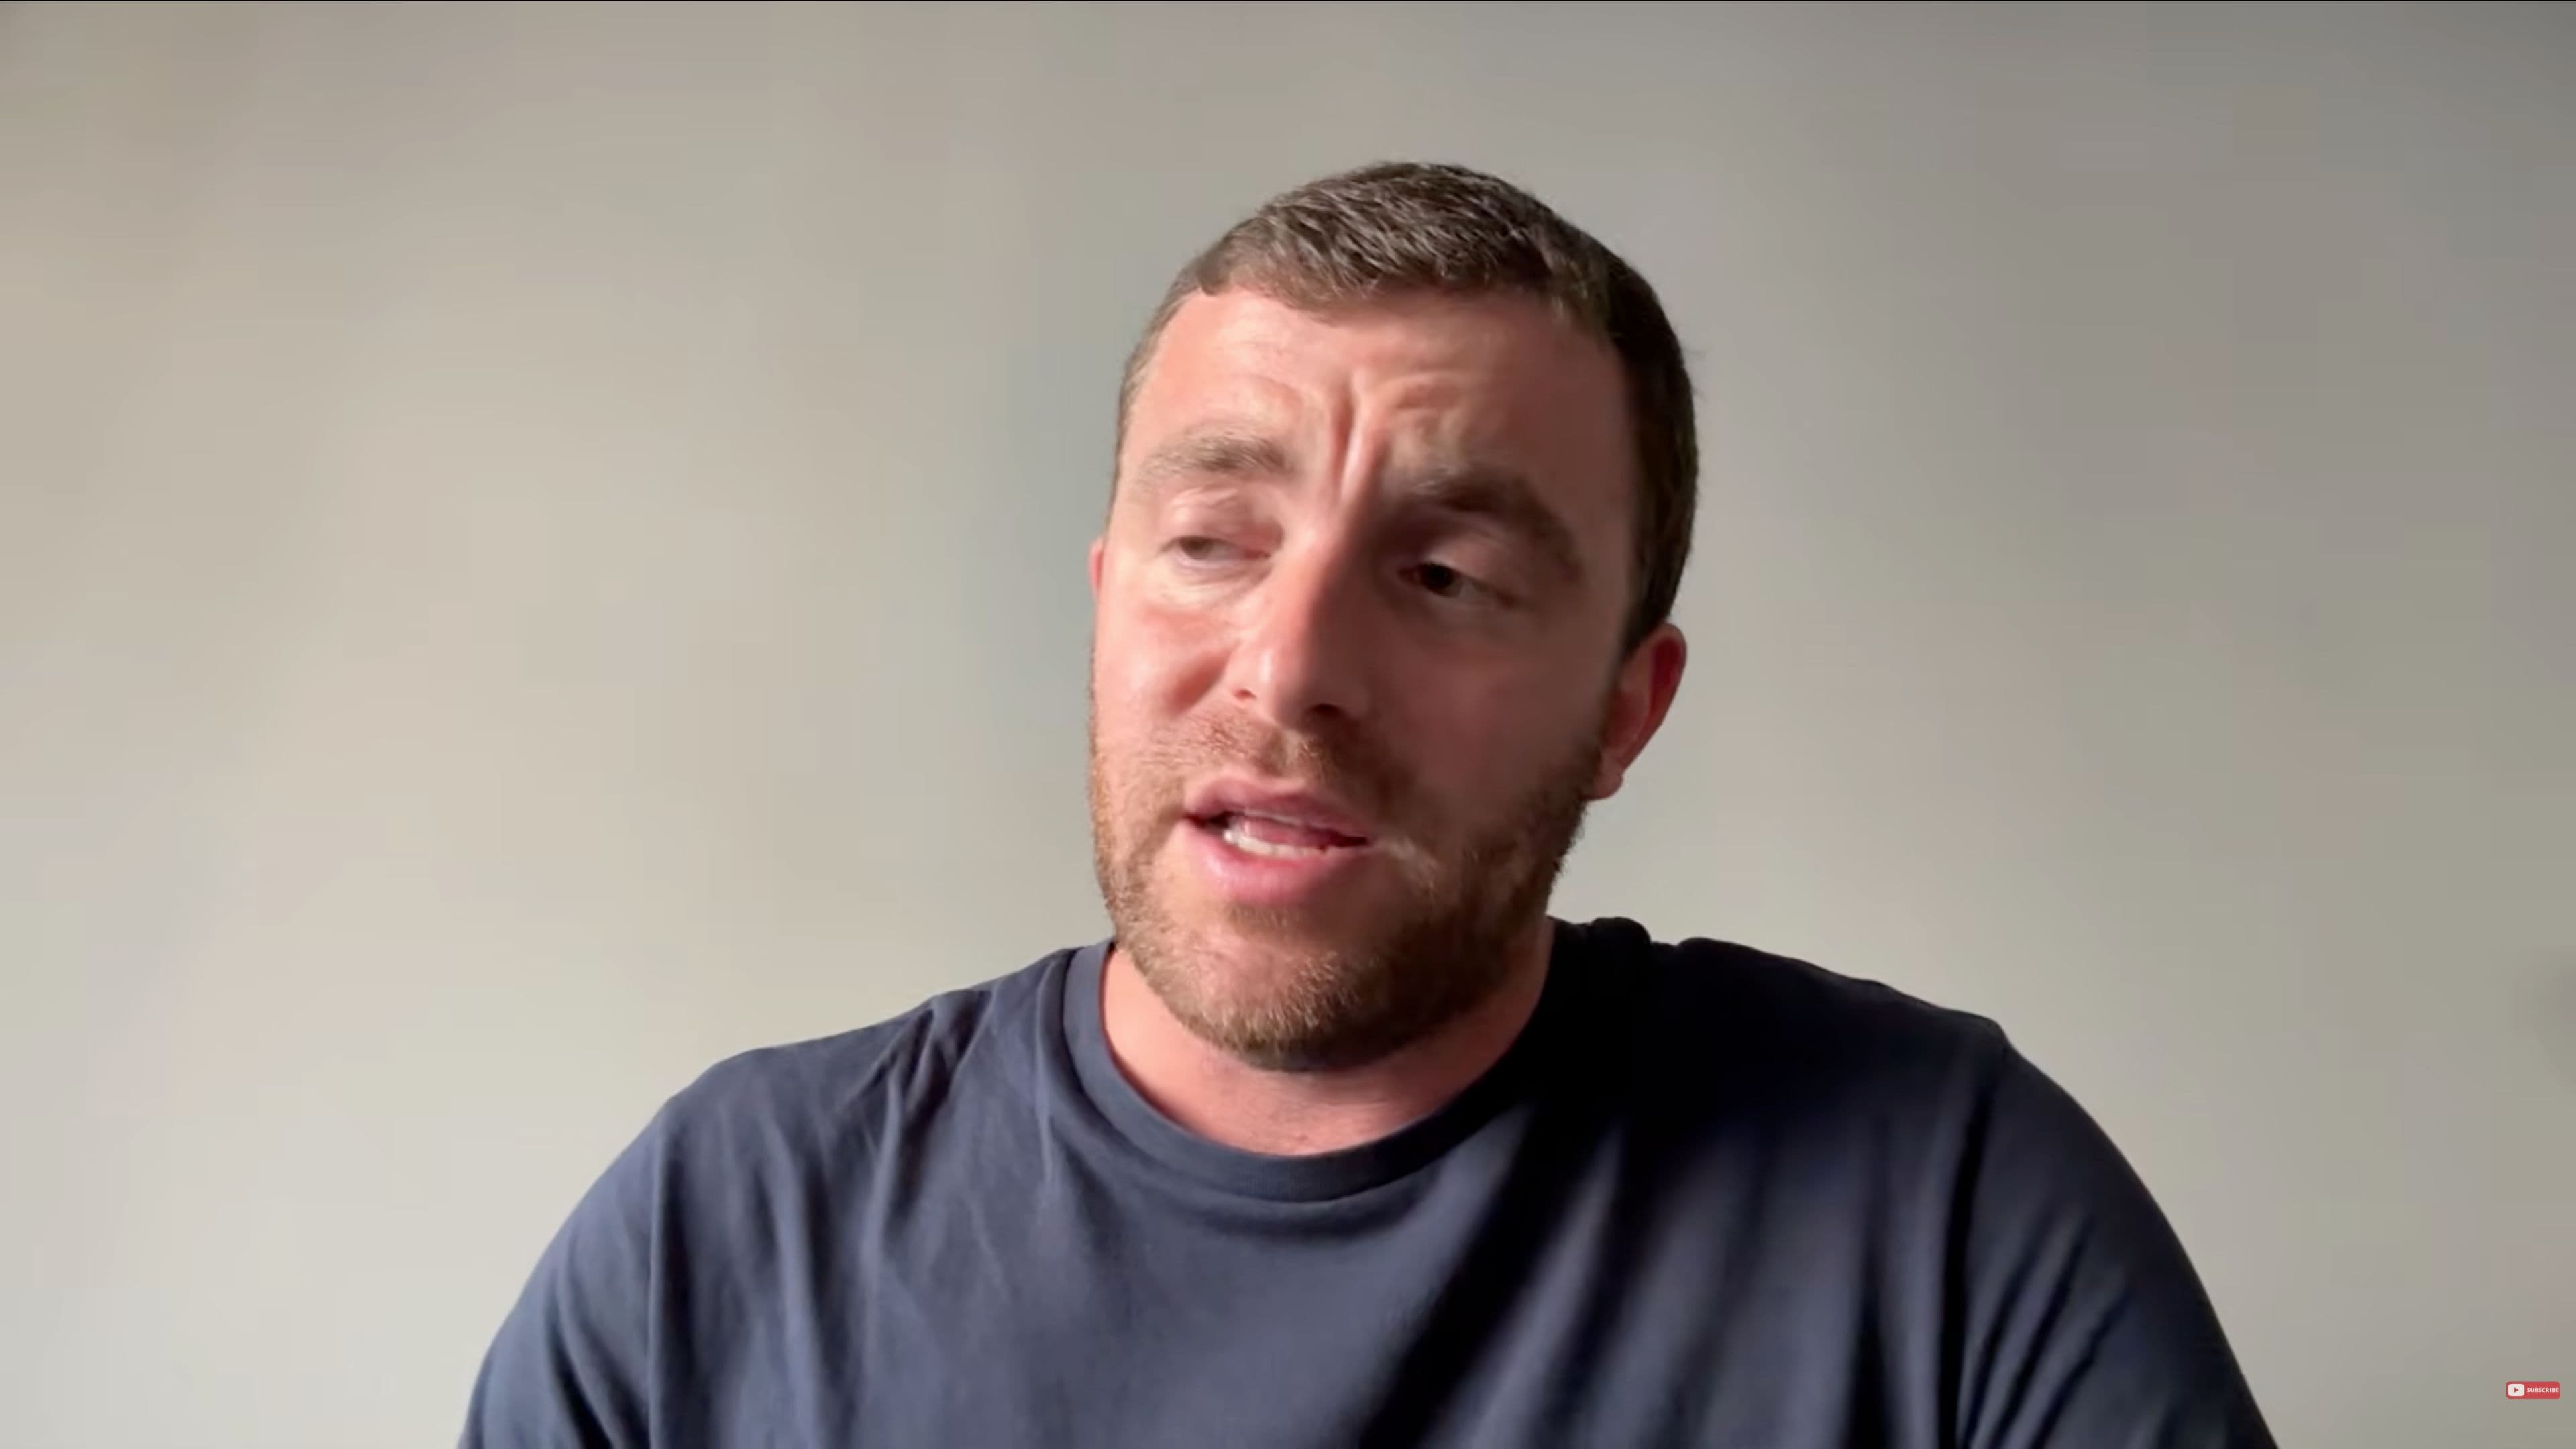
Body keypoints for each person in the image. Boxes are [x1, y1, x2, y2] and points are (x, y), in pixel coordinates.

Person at [462, 161, 2275, 1448]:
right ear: (1104, 606)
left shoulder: (1947, 1203)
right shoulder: (731, 1226)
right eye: (1211, 541)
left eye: (1447, 577)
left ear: (1624, 711)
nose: (1287, 667)